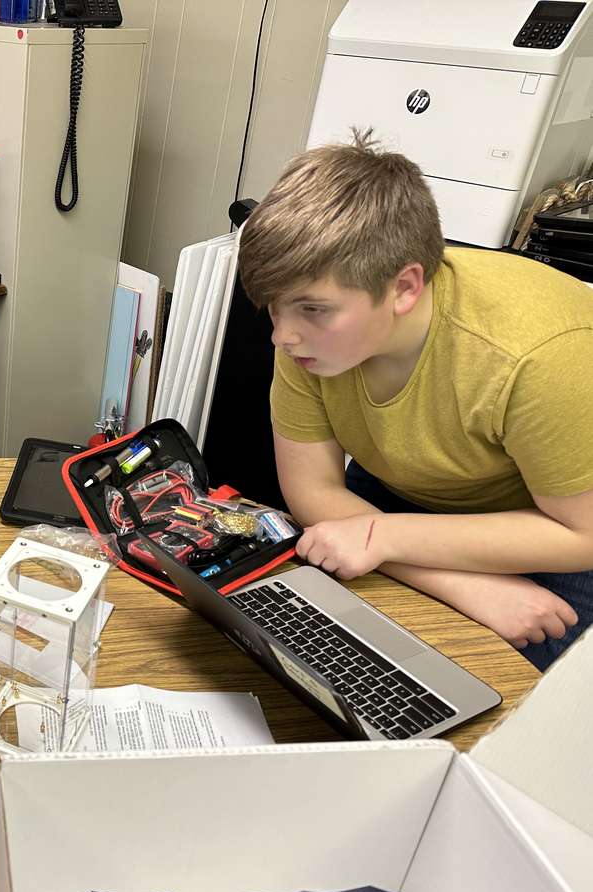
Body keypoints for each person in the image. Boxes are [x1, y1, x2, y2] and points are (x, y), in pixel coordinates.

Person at [237, 130, 593, 672]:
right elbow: (312, 491)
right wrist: (462, 585)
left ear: (404, 287)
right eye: (275, 309)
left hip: (548, 526)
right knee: (304, 643)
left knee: (486, 696)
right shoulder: (308, 339)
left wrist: (382, 538)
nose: (281, 338)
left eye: (312, 309)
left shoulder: (539, 355)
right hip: (408, 494)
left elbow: (582, 534)